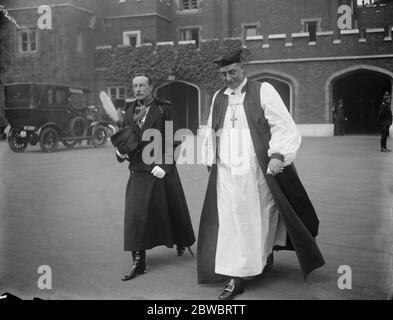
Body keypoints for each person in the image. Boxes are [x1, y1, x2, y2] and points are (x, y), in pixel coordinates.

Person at [198, 49, 325, 300]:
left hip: (255, 171)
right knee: (230, 221)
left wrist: (278, 155)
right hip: (225, 172)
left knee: (256, 218)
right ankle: (236, 273)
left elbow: (283, 124)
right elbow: (211, 128)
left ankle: (253, 264)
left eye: (232, 72)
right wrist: (209, 158)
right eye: (223, 74)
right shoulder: (218, 97)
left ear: (242, 69)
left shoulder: (262, 90)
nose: (228, 78)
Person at [113, 74, 195, 281]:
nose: (138, 89)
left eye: (142, 85)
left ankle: (181, 241)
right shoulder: (128, 111)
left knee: (171, 210)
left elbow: (175, 140)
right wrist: (120, 153)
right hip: (139, 170)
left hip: (161, 169)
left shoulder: (164, 108)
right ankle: (139, 262)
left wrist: (165, 165)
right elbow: (124, 140)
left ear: (151, 87)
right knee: (135, 216)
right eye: (134, 85)